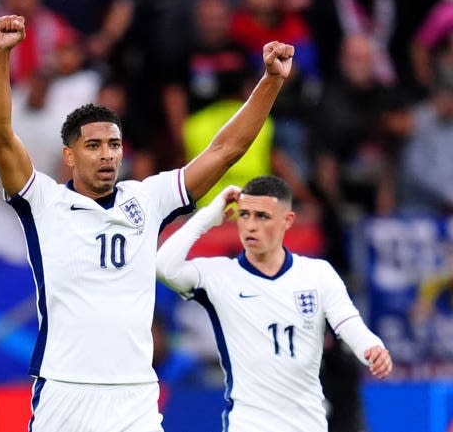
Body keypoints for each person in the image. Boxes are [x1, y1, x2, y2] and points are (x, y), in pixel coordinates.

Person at [0, 13, 293, 432]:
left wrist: (271, 81)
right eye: (93, 145)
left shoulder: (147, 198)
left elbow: (226, 150)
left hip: (134, 396)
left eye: (114, 144)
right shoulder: (43, 201)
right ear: (69, 156)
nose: (107, 154)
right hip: (65, 392)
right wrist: (0, 56)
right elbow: (1, 135)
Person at [156, 175, 392, 432]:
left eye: (262, 216)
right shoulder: (219, 275)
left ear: (287, 221)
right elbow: (164, 267)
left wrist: (372, 347)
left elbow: (349, 323)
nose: (250, 226)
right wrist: (207, 218)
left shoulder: (317, 273)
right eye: (244, 215)